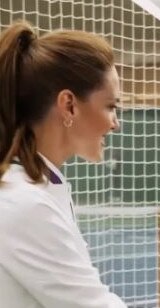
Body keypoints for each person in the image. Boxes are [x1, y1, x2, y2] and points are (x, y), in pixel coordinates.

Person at [0, 21, 127, 307]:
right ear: (69, 104)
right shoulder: (25, 204)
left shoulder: (39, 190)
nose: (115, 123)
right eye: (110, 106)